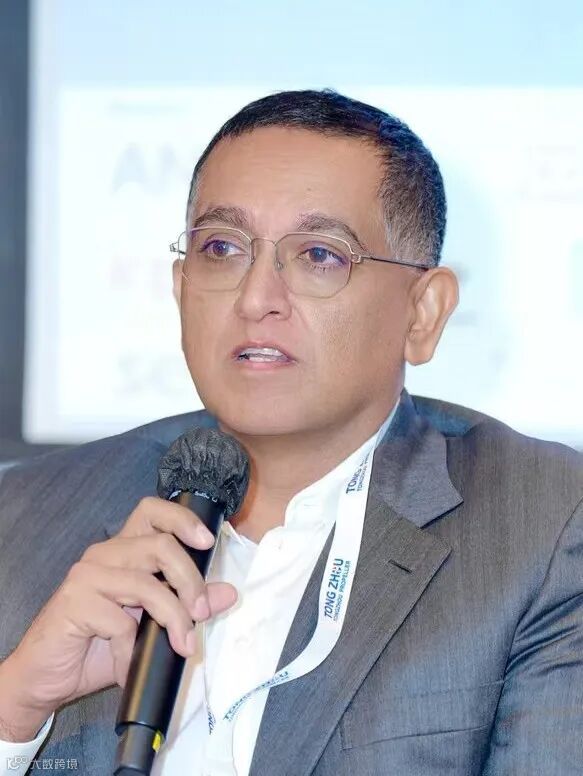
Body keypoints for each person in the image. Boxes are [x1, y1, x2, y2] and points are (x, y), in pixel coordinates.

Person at [0, 89, 582, 776]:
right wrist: (13, 712)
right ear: (181, 287)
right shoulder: (25, 516)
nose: (255, 298)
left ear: (423, 313)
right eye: (222, 248)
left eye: (320, 256)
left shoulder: (543, 526)